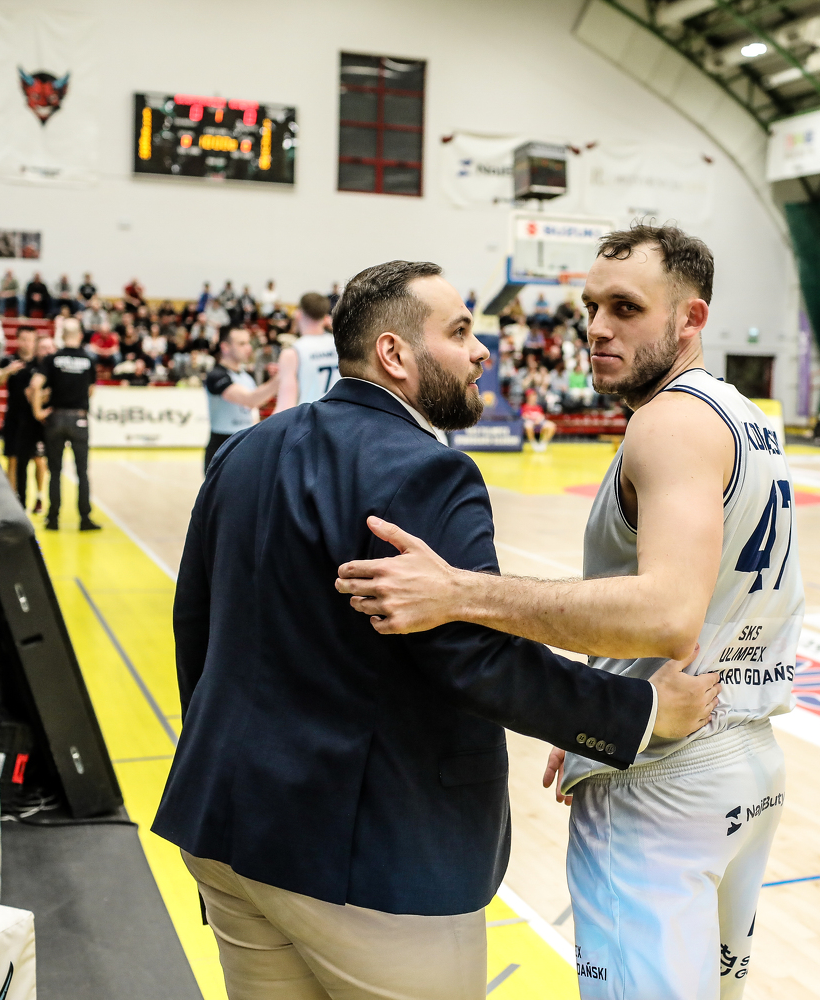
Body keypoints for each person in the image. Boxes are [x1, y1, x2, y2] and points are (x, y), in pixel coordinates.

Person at [154, 257, 717, 1000]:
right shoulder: (426, 470)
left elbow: (194, 622)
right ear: (395, 354)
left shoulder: (245, 450)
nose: (481, 352)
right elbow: (474, 660)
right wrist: (641, 711)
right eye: (458, 333)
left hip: (223, 826)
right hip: (367, 858)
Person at [335, 225, 803, 1000]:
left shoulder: (669, 421)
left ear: (691, 318)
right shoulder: (743, 415)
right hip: (746, 760)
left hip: (665, 777)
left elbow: (667, 615)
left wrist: (460, 591)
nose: (597, 327)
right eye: (591, 306)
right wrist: (601, 701)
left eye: (626, 307)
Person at [29, 321, 100, 532]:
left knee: (55, 471)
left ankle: (53, 518)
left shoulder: (53, 359)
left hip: (56, 418)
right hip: (79, 419)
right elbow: (91, 390)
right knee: (82, 472)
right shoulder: (88, 359)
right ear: (80, 335)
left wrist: (37, 411)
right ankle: (85, 519)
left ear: (61, 335)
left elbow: (35, 385)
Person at [204, 327, 279, 472]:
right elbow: (249, 400)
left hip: (246, 444)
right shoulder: (216, 375)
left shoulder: (246, 377)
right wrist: (281, 378)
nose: (248, 348)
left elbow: (253, 409)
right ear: (225, 347)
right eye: (242, 343)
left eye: (248, 343)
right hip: (222, 447)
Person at [0, 328, 46, 510]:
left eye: (30, 340)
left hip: (35, 420)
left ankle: (39, 496)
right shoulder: (9, 360)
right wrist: (8, 371)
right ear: (17, 340)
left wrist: (38, 397)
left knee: (39, 459)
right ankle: (13, 498)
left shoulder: (41, 363)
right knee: (13, 458)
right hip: (14, 418)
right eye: (23, 339)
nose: (27, 343)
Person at [273, 292, 339, 411]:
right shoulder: (340, 345)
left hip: (311, 418)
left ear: (298, 314)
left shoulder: (293, 353)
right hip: (340, 416)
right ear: (325, 317)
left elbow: (285, 406)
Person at [519, 386, 555, 452]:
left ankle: (543, 443)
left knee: (551, 425)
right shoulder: (524, 407)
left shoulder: (538, 407)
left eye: (534, 395)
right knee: (528, 425)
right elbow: (524, 416)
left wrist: (539, 419)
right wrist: (532, 418)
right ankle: (534, 444)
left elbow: (542, 416)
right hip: (530, 422)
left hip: (539, 422)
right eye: (532, 395)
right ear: (528, 397)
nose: (534, 397)